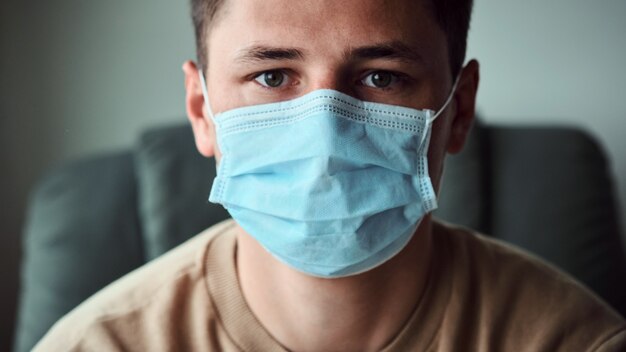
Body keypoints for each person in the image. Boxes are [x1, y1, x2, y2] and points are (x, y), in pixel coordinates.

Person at [35, 0, 626, 351]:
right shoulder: (97, 345)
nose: (325, 138)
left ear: (459, 109)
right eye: (272, 77)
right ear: (201, 110)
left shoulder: (572, 341)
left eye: (381, 77)